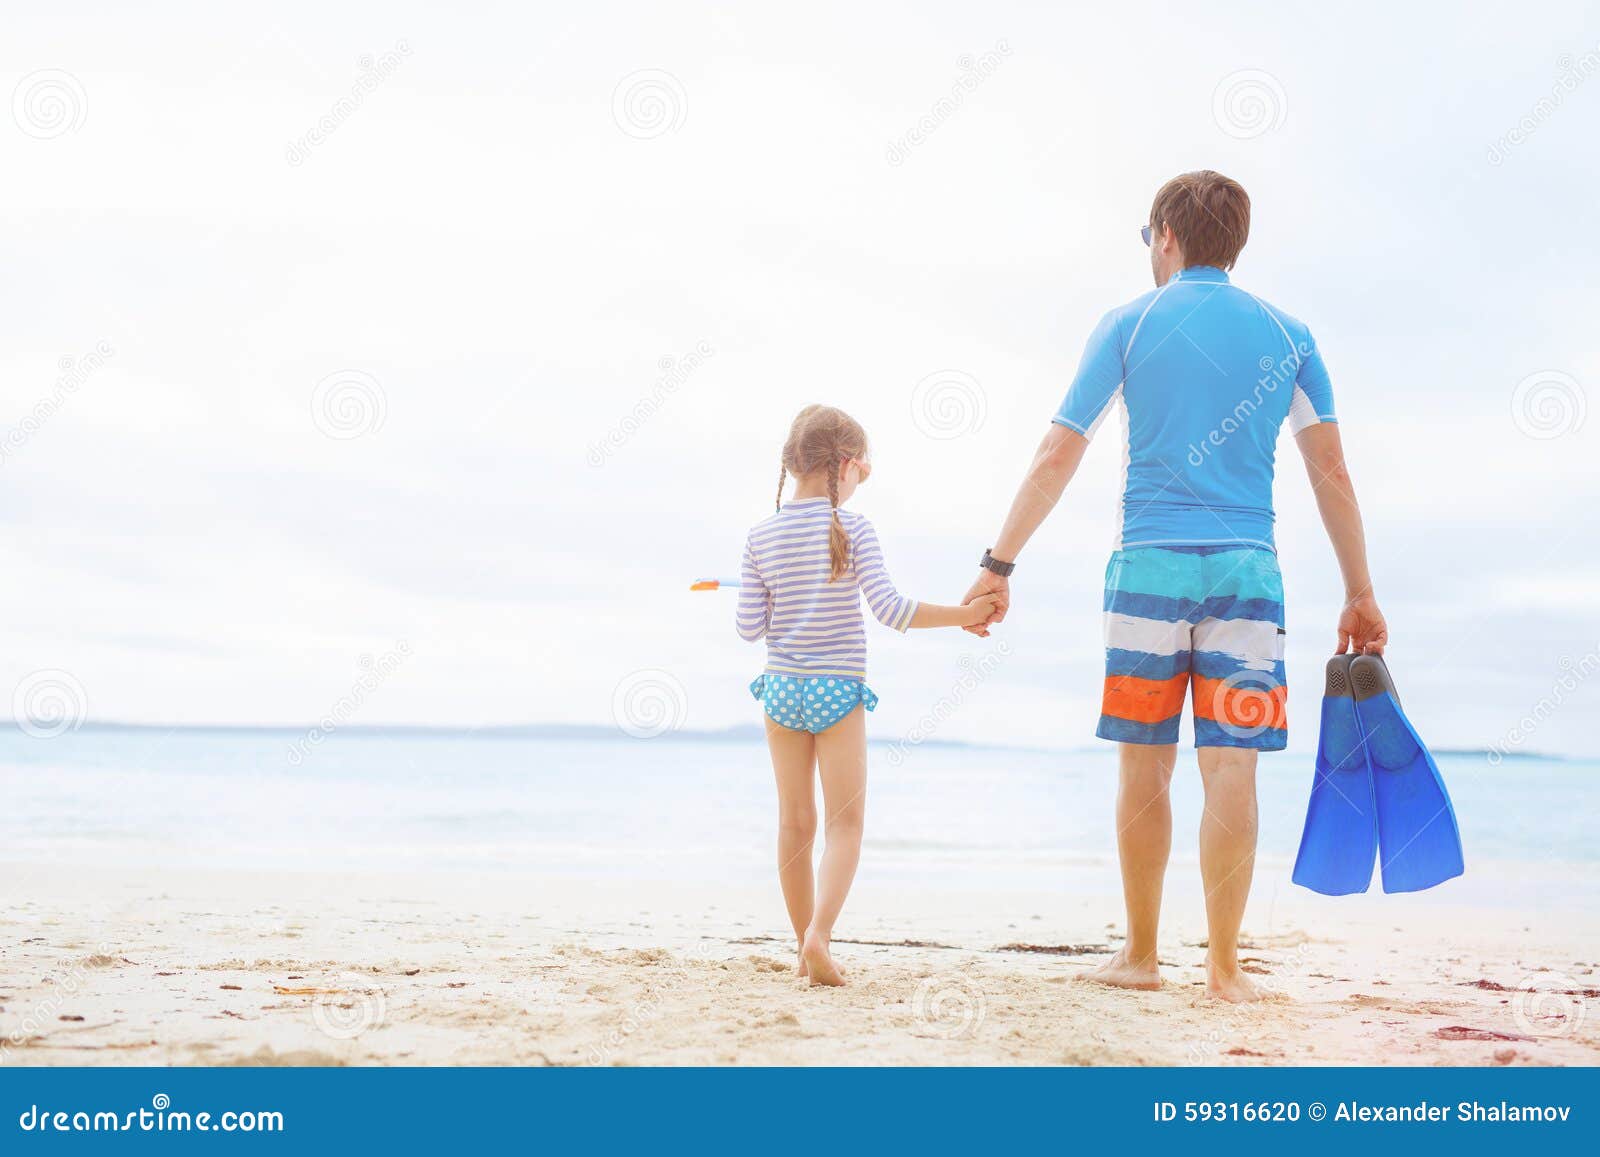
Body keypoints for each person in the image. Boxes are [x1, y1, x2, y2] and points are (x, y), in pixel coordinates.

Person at [961, 171, 1388, 1002]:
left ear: (1165, 235)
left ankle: (1142, 956)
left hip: (1147, 574)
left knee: (1144, 765)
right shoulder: (1288, 333)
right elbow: (1329, 469)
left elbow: (1058, 452)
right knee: (1233, 767)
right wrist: (1360, 589)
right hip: (1247, 579)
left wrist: (998, 563)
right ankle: (1225, 970)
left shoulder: (1129, 323)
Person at [738, 404, 1000, 986]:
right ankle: (819, 938)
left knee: (793, 823)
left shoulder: (760, 535)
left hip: (780, 691)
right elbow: (890, 609)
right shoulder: (853, 528)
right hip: (837, 690)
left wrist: (775, 588)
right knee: (846, 825)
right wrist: (963, 616)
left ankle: (801, 944)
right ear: (848, 466)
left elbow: (748, 628)